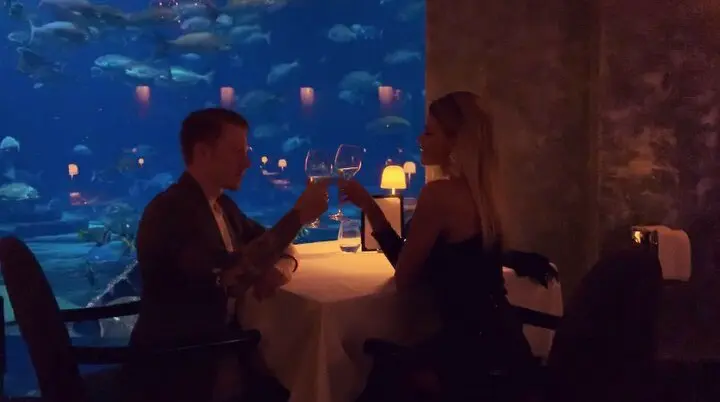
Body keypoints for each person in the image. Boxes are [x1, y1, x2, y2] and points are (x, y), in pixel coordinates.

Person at [340, 91, 536, 401]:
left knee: (366, 365)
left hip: (468, 358)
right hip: (506, 345)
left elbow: (405, 276)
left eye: (430, 132)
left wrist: (370, 208)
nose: (420, 139)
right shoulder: (488, 194)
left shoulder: (438, 195)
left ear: (455, 142)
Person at [126, 108, 330, 402]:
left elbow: (274, 245)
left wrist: (280, 268)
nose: (247, 162)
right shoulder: (170, 212)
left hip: (219, 346)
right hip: (181, 365)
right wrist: (297, 217)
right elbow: (233, 276)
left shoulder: (223, 207)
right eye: (237, 152)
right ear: (203, 152)